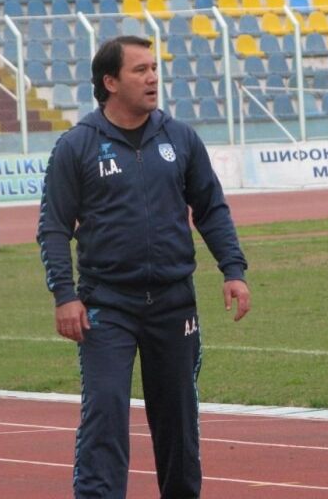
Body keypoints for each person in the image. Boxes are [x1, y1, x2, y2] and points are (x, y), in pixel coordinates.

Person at [37, 35, 251, 499]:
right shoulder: (77, 145)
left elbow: (211, 208)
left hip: (174, 304)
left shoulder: (180, 137)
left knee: (178, 421)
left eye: (154, 68)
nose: (153, 78)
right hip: (106, 305)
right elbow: (53, 227)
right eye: (140, 70)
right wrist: (65, 295)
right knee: (105, 413)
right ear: (110, 82)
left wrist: (233, 270)